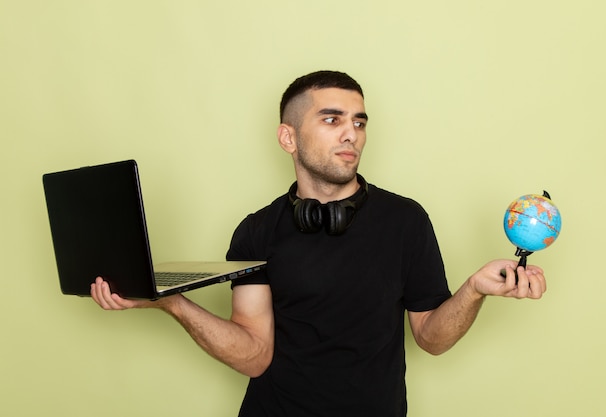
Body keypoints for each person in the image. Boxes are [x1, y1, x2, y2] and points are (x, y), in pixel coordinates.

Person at [91, 70, 547, 417]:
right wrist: (171, 303)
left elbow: (431, 338)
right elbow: (254, 355)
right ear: (289, 137)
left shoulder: (406, 221)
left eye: (359, 122)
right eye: (332, 119)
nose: (352, 134)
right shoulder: (256, 231)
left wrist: (474, 290)